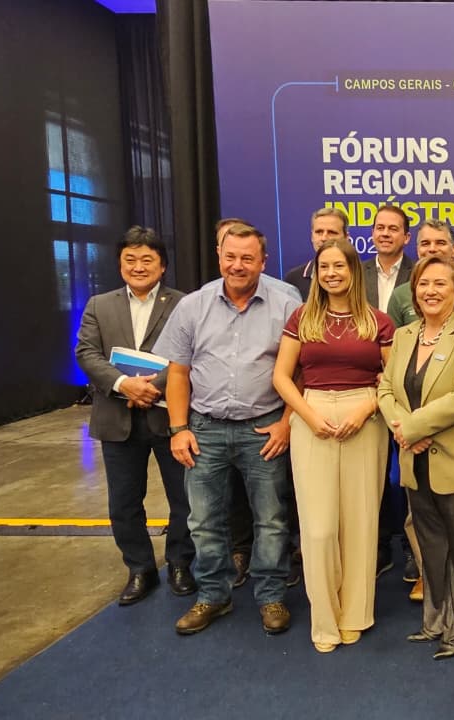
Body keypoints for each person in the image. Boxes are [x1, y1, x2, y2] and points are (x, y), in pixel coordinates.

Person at [156, 222, 303, 636]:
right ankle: (213, 595)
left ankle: (271, 596)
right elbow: (178, 373)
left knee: (271, 520)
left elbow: (301, 370)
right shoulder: (193, 306)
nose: (238, 265)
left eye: (247, 258)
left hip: (264, 429)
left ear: (263, 262)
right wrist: (178, 428)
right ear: (219, 256)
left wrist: (286, 423)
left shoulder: (286, 303)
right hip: (204, 429)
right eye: (230, 256)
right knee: (204, 521)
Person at [272, 238, 394, 653]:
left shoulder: (378, 322)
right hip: (313, 415)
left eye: (339, 266)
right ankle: (324, 618)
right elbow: (281, 377)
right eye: (324, 267)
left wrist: (367, 409)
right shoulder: (302, 318)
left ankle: (355, 614)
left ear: (354, 270)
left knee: (361, 522)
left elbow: (393, 380)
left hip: (366, 417)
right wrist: (307, 416)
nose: (331, 274)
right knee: (319, 528)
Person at [378, 256, 454, 660]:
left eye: (440, 284)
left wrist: (412, 428)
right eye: (423, 283)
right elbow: (385, 389)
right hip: (416, 461)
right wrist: (405, 429)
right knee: (431, 549)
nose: (430, 291)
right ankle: (436, 621)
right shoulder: (404, 335)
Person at [74, 226, 193, 605]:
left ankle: (180, 563)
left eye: (147, 260)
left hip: (171, 417)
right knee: (124, 503)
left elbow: (191, 352)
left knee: (184, 499)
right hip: (117, 417)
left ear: (162, 265)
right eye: (130, 259)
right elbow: (86, 353)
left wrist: (152, 386)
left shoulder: (184, 304)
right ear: (120, 263)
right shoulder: (99, 305)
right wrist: (124, 384)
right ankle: (140, 568)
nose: (138, 267)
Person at [362, 205, 418, 584]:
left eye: (393, 228)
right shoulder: (357, 273)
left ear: (405, 237)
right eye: (379, 227)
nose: (385, 233)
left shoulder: (421, 274)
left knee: (410, 475)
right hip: (366, 387)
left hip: (410, 391)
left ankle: (413, 549)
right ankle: (379, 546)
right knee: (374, 475)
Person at [386, 219, 454, 326]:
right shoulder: (400, 295)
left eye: (440, 243)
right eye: (425, 243)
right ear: (418, 250)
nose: (432, 249)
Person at [283, 207, 350, 298]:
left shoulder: (362, 276)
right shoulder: (293, 279)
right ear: (312, 236)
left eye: (331, 232)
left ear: (346, 238)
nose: (324, 238)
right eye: (319, 232)